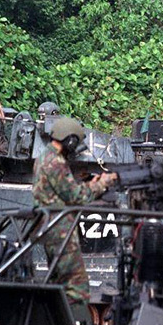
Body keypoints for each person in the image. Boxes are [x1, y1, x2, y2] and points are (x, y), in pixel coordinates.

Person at [32, 116, 117, 306]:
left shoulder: (44, 156)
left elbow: (62, 189)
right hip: (59, 229)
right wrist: (102, 184)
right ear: (70, 140)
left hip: (50, 225)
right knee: (77, 286)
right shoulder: (56, 162)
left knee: (58, 282)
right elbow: (76, 197)